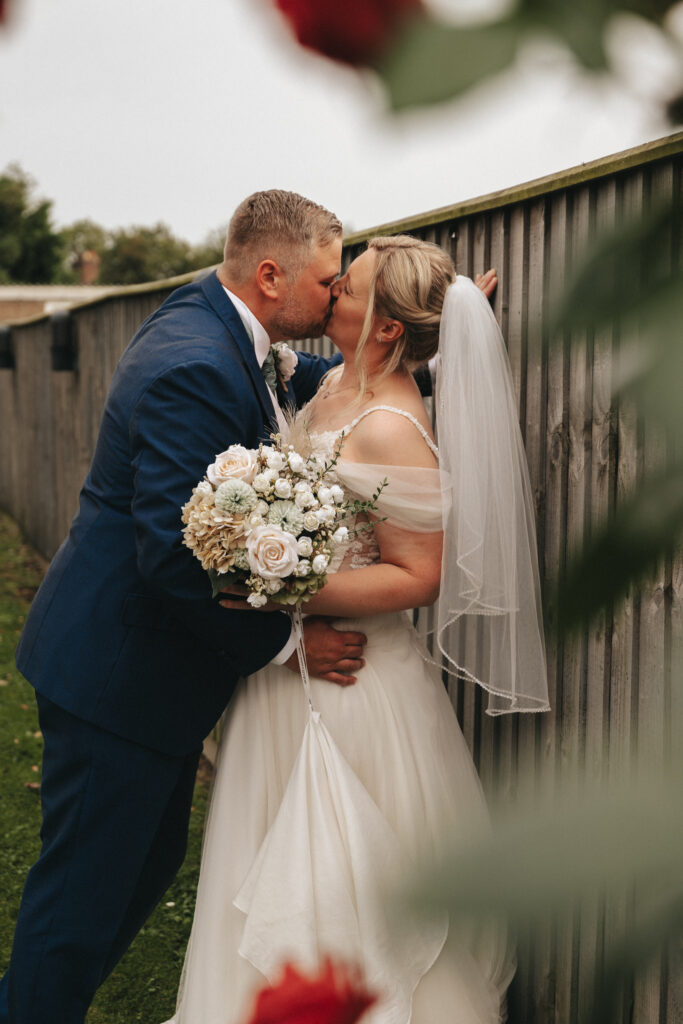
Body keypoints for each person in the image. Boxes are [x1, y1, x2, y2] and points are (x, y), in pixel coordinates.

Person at [0, 191, 372, 1024]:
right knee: (81, 904)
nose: (338, 294)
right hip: (116, 672)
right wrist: (288, 645)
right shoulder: (194, 364)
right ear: (270, 276)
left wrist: (410, 340)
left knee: (138, 867)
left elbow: (291, 382)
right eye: (328, 280)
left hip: (130, 668)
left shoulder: (219, 320)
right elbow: (172, 556)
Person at [163, 236, 550, 1023]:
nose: (333, 288)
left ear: (382, 328)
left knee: (348, 892)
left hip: (354, 686)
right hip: (292, 677)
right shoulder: (335, 379)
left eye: (350, 286)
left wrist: (280, 591)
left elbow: (418, 576)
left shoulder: (388, 428)